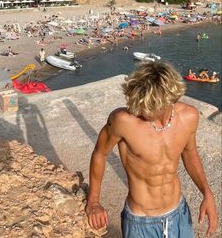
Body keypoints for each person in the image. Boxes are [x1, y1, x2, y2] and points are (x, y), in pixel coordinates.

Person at [86, 61, 218, 237]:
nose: (137, 109)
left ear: (167, 100)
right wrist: (94, 201)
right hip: (141, 222)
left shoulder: (189, 117)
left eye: (145, 106)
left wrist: (207, 193)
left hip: (179, 214)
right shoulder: (123, 121)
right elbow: (99, 154)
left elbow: (190, 153)